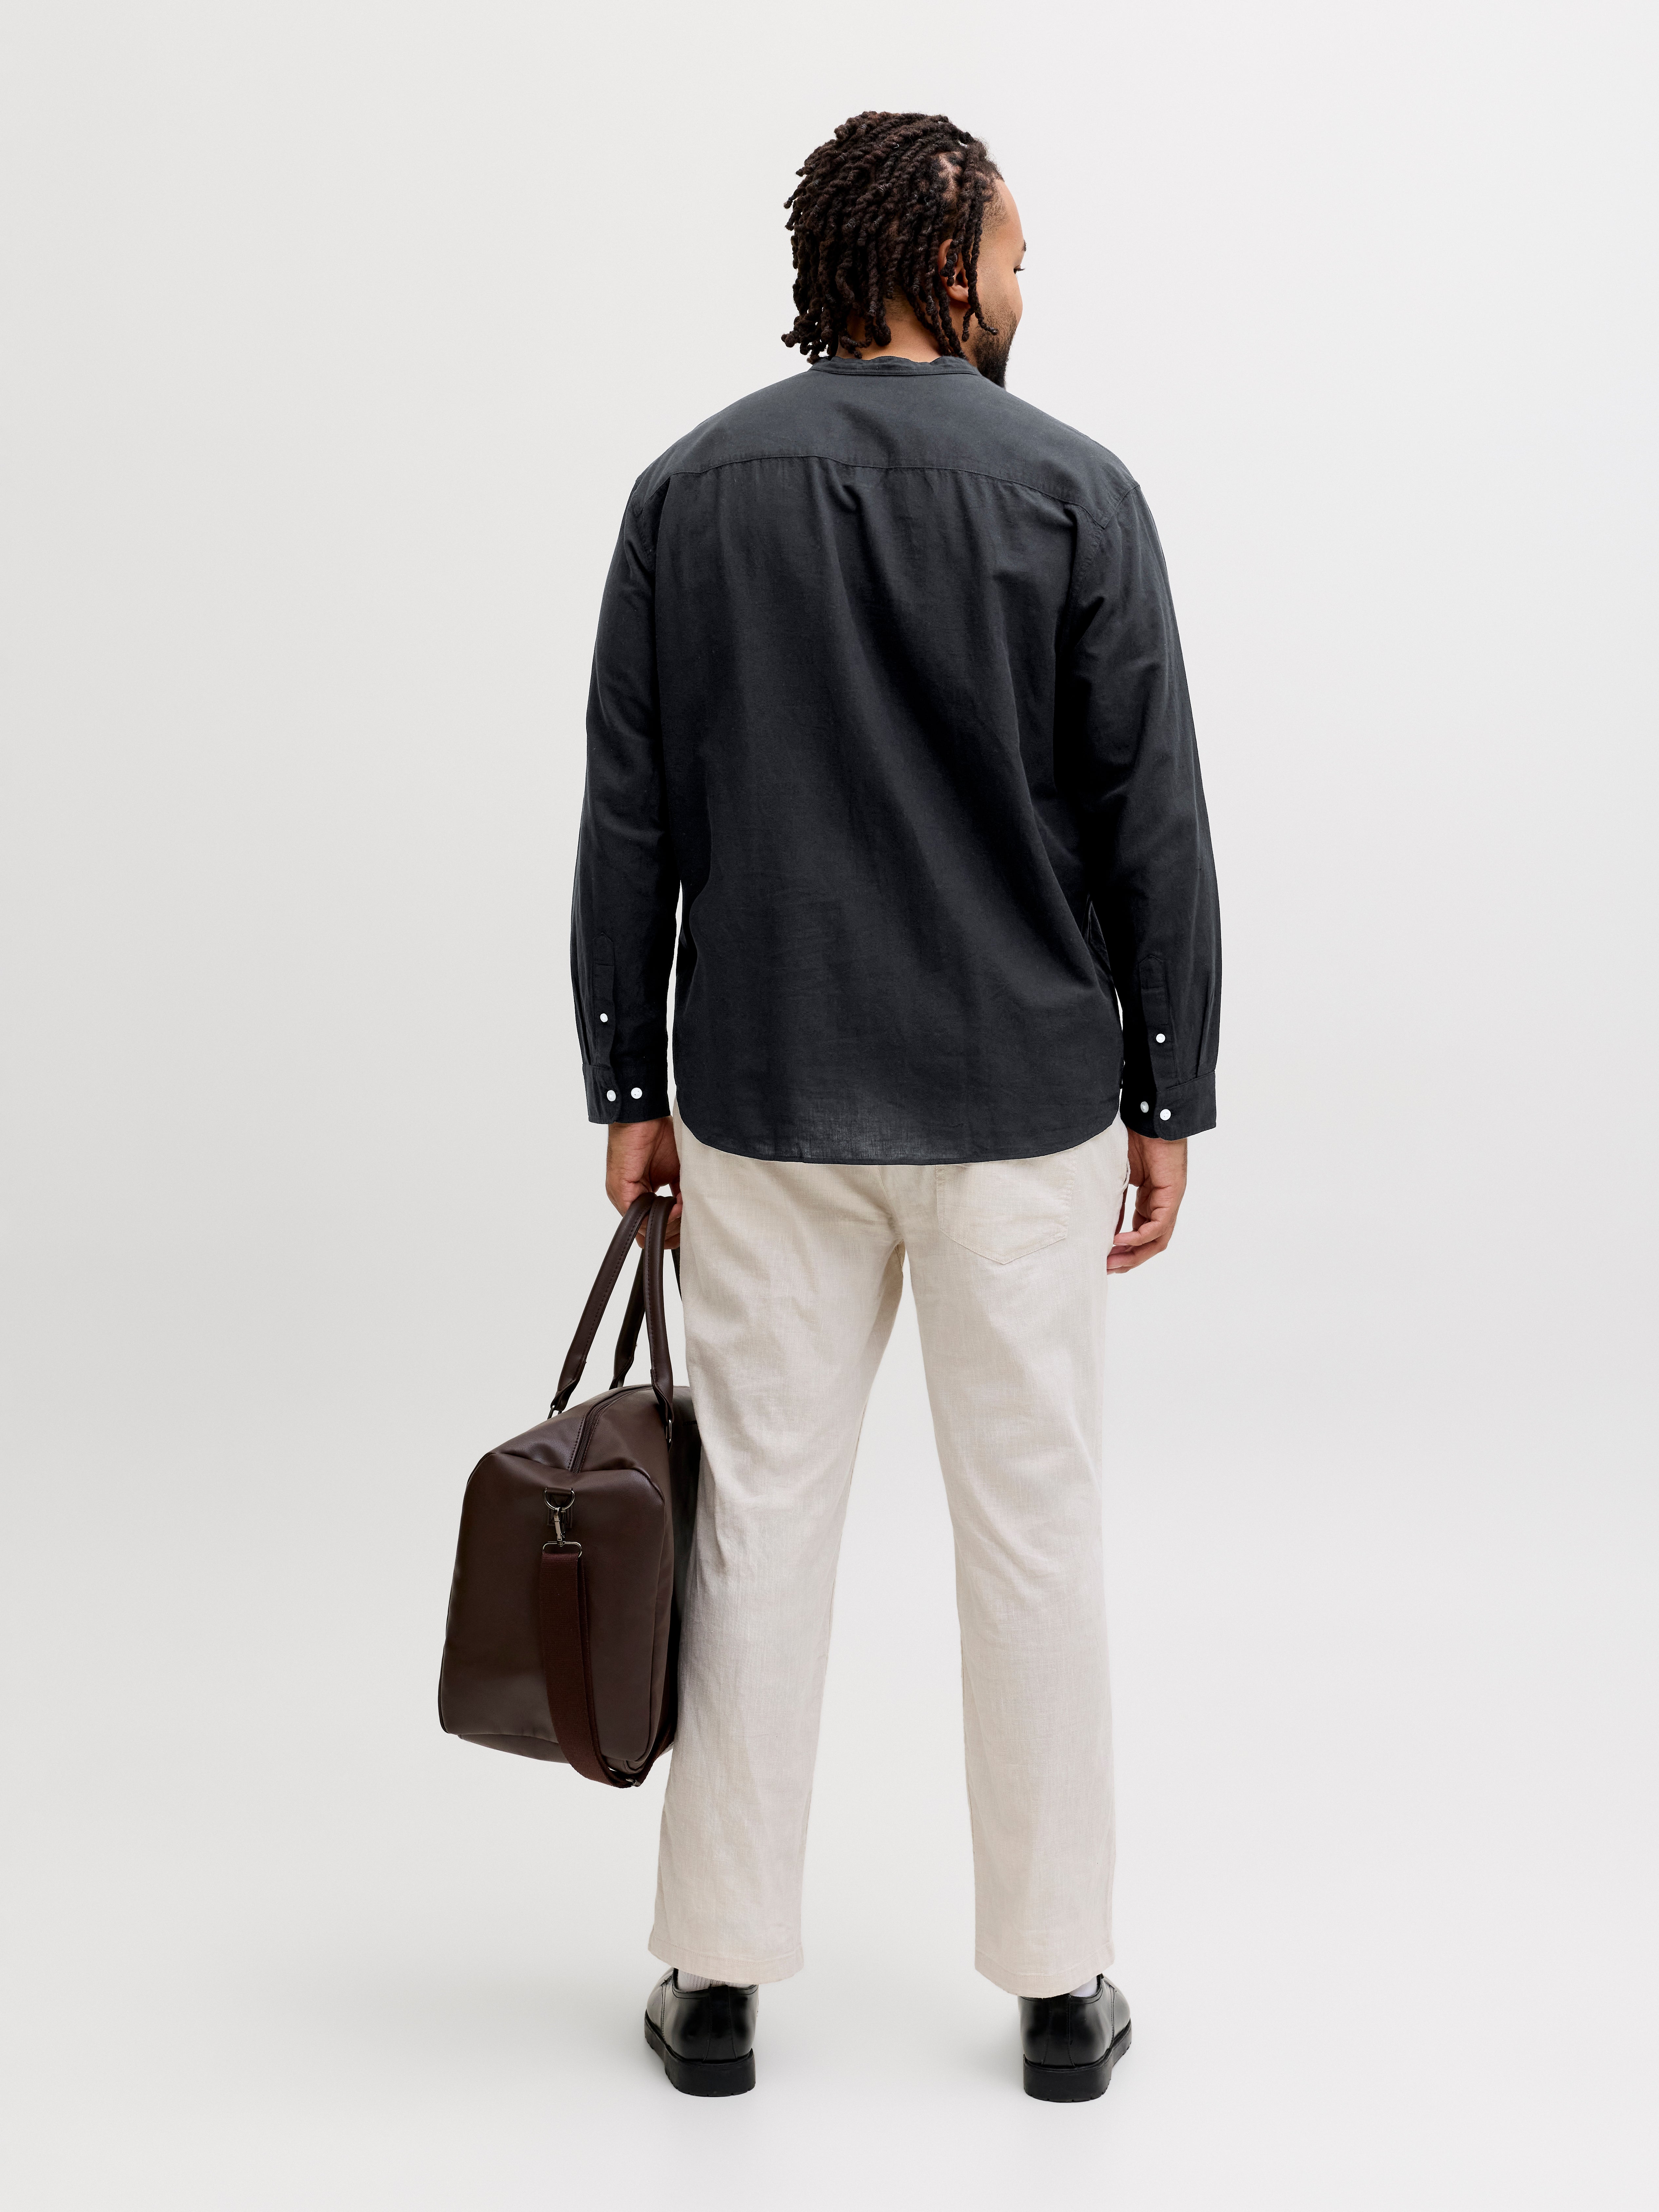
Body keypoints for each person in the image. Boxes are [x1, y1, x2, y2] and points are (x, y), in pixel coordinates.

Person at [571, 109, 1220, 2102]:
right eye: (1012, 263)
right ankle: (1057, 1989)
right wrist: (1167, 1088)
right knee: (1033, 1530)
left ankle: (716, 1983)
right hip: (1024, 1102)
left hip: (766, 1096)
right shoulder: (1077, 493)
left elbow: (629, 811)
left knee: (760, 1526)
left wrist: (628, 1080)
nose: (1024, 295)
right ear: (944, 268)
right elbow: (1151, 820)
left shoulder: (691, 491)